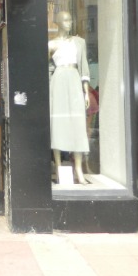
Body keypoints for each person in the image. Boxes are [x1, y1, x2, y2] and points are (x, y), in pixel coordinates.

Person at [48, 11, 91, 185]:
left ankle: (79, 170)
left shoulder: (79, 42)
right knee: (58, 123)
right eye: (65, 20)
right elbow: (48, 69)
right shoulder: (51, 44)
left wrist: (86, 91)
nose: (69, 23)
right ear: (57, 22)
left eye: (70, 20)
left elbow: (84, 66)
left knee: (78, 124)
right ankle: (59, 168)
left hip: (74, 79)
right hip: (58, 81)